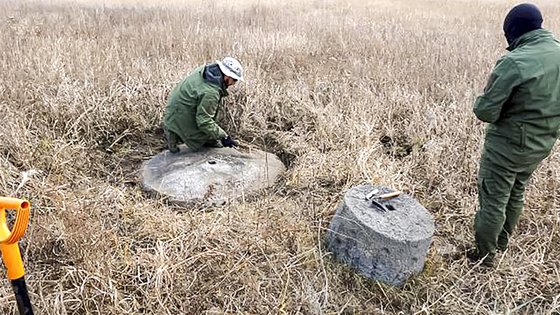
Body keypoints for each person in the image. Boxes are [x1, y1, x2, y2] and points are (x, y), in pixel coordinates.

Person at [469, 3, 560, 267]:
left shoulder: (514, 62)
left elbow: (485, 111)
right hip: (541, 144)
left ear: (513, 32)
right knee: (517, 191)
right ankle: (502, 243)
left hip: (507, 147)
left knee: (494, 198)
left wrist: (481, 100)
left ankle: (485, 256)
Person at [163, 57, 244, 153]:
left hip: (173, 109)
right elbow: (204, 121)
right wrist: (224, 137)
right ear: (226, 76)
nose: (234, 83)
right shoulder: (211, 92)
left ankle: (174, 129)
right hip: (178, 114)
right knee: (201, 133)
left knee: (207, 126)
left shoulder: (204, 70)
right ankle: (174, 133)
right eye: (234, 80)